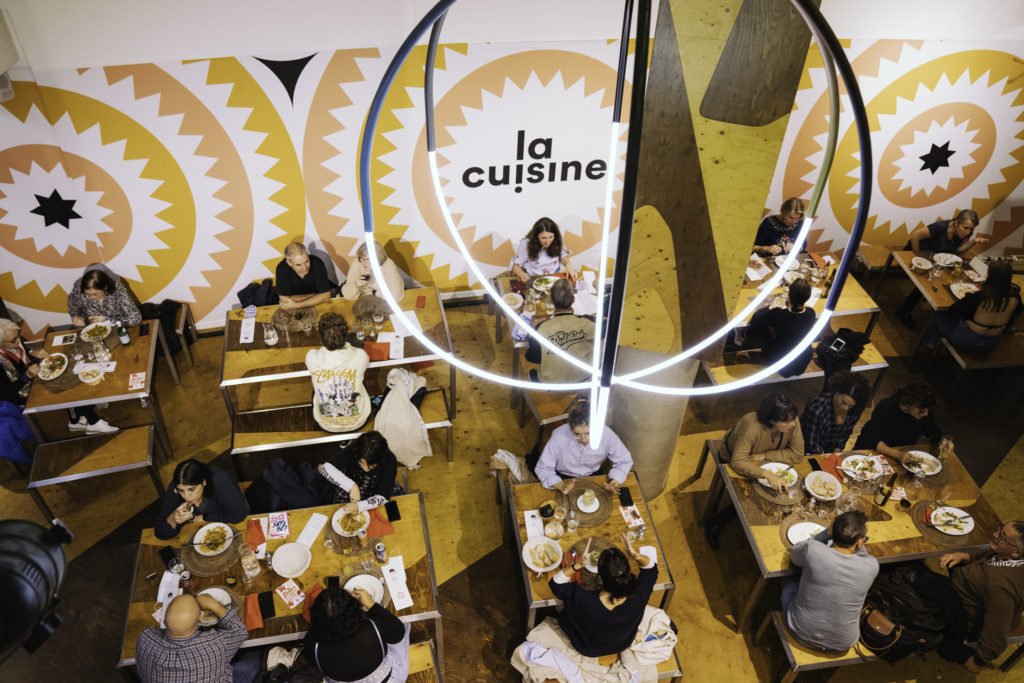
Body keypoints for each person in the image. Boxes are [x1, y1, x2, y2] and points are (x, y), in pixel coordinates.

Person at [705, 394, 804, 549]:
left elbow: (797, 454)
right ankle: (716, 520)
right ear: (772, 420)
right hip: (732, 459)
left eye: (793, 419)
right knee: (751, 496)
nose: (792, 424)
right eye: (786, 422)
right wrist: (767, 474)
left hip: (761, 460)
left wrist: (765, 455)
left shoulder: (791, 420)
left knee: (789, 490)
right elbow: (737, 462)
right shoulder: (752, 427)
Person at [929, 521, 1024, 673]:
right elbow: (987, 555)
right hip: (964, 589)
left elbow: (997, 634)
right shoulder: (1008, 556)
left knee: (914, 577)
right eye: (1000, 530)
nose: (994, 534)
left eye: (1002, 537)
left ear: (1017, 552)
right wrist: (966, 556)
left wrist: (978, 660)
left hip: (961, 614)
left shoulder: (1000, 587)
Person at [0, 318, 118, 436]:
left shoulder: (13, 342)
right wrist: (27, 376)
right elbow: (6, 394)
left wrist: (32, 352)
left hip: (34, 375)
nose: (19, 340)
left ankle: (75, 419)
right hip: (21, 393)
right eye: (14, 340)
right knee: (66, 384)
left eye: (19, 335)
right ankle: (93, 422)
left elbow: (22, 352)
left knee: (70, 371)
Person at [783, 511, 879, 652]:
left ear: (833, 531)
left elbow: (794, 553)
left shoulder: (814, 550)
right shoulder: (872, 566)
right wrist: (859, 540)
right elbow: (860, 554)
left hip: (801, 633)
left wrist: (825, 534)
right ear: (860, 542)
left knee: (789, 580)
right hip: (843, 644)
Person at [549, 533, 657, 657]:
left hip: (586, 647)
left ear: (601, 575)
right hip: (621, 644)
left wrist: (576, 565)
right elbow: (651, 569)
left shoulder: (583, 600)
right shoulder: (640, 593)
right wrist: (636, 556)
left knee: (561, 610)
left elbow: (555, 583)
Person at [136, 593, 259, 683]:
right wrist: (214, 605)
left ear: (163, 620)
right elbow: (240, 631)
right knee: (257, 657)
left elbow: (157, 631)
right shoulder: (213, 645)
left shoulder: (144, 638)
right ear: (200, 620)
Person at [896, 209, 988, 328]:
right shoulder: (940, 227)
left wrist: (974, 242)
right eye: (966, 228)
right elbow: (915, 236)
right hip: (919, 253)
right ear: (956, 223)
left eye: (971, 229)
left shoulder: (966, 233)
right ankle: (902, 311)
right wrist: (919, 256)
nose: (968, 232)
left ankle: (945, 311)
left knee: (953, 274)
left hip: (937, 257)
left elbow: (959, 249)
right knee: (928, 281)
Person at [304, 584, 407, 682]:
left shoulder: (313, 647)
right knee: (406, 623)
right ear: (356, 608)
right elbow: (399, 632)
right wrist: (371, 604)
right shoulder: (374, 627)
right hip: (389, 679)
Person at [534, 397, 633, 495]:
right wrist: (561, 486)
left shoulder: (607, 434)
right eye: (577, 434)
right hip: (563, 478)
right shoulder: (559, 436)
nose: (584, 440)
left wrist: (614, 482)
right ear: (571, 428)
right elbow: (543, 468)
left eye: (588, 433)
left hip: (594, 476)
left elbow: (624, 461)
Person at [924, 258, 1021, 353]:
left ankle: (930, 345)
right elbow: (1013, 318)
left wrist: (967, 298)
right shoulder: (1016, 298)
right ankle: (933, 345)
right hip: (992, 342)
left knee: (937, 313)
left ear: (990, 276)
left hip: (967, 340)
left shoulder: (980, 297)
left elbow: (953, 311)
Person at [306, 313, 370, 432]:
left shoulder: (311, 357)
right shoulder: (361, 355)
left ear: (321, 337)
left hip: (326, 425)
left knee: (316, 389)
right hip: (358, 422)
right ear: (346, 335)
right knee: (360, 381)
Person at [154, 459, 249, 540]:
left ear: (204, 482)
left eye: (192, 489)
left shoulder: (221, 480)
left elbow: (238, 515)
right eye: (181, 491)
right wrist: (172, 519)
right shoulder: (175, 487)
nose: (186, 496)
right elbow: (160, 533)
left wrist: (205, 517)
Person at [853, 383, 945, 464]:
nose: (926, 414)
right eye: (922, 410)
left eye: (928, 410)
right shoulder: (887, 406)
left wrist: (944, 442)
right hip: (872, 451)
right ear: (910, 403)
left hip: (900, 456)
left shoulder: (924, 414)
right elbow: (872, 439)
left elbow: (934, 434)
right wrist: (898, 454)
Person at [524, 278, 594, 383]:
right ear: (573, 299)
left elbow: (532, 357)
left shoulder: (541, 328)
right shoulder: (589, 322)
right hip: (585, 378)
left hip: (552, 383)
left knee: (537, 369)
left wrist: (533, 331)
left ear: (551, 300)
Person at [744, 277, 816, 377]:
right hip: (801, 363)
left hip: (781, 364)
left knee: (761, 329)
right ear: (807, 297)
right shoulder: (811, 313)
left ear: (789, 295)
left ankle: (745, 343)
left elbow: (756, 319)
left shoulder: (778, 314)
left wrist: (771, 307)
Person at [318, 431, 405, 511]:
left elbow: (383, 497)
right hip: (352, 485)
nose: (365, 469)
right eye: (361, 463)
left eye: (371, 466)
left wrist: (358, 506)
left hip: (379, 489)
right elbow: (325, 468)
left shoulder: (389, 460)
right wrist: (352, 487)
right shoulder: (353, 449)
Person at [800, 370, 870, 455]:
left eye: (850, 405)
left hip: (830, 452)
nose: (846, 408)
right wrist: (828, 458)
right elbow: (812, 443)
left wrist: (837, 450)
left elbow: (845, 434)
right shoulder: (817, 407)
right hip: (808, 450)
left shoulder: (856, 410)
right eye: (843, 402)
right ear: (837, 391)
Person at [66, 266, 142, 328]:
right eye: (88, 294)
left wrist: (107, 320)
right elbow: (73, 308)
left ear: (105, 288)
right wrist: (75, 317)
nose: (91, 298)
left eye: (95, 294)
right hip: (93, 332)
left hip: (118, 330)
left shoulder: (117, 291)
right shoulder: (78, 292)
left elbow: (136, 318)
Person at [510, 217, 579, 283]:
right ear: (536, 236)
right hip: (533, 279)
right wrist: (522, 275)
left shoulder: (557, 239)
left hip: (555, 278)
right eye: (543, 238)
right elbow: (515, 266)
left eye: (551, 237)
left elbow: (563, 257)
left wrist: (568, 266)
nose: (548, 241)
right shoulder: (526, 243)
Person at [276, 242, 333, 311]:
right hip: (299, 308)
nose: (305, 268)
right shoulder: (281, 269)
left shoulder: (317, 263)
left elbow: (326, 296)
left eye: (306, 261)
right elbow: (284, 300)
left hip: (303, 305)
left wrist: (297, 305)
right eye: (298, 265)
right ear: (289, 263)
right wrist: (316, 296)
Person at [341, 240, 405, 301]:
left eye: (367, 259)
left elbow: (395, 295)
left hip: (384, 302)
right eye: (361, 259)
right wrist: (356, 285)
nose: (363, 263)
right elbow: (347, 294)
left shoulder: (387, 264)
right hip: (365, 301)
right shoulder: (358, 262)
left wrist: (374, 292)